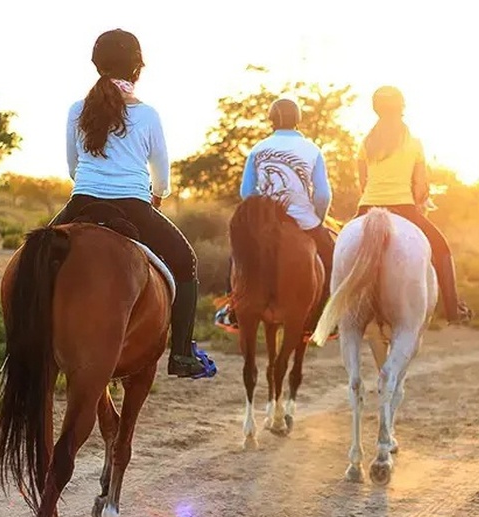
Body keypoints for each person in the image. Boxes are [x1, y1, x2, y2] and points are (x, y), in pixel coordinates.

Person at [49, 28, 216, 379]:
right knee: (186, 262)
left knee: (32, 262)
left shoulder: (76, 109)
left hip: (81, 202)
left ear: (97, 66)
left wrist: (93, 184)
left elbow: (71, 165)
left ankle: (19, 345)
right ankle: (182, 354)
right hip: (135, 208)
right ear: (137, 68)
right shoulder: (148, 115)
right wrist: (158, 195)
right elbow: (162, 175)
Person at [214, 98, 335, 339]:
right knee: (332, 258)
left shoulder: (258, 149)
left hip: (266, 225)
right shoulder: (312, 150)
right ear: (298, 120)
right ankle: (325, 318)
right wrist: (317, 219)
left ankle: (233, 310)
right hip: (303, 221)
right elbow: (323, 194)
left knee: (238, 258)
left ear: (271, 121)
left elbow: (247, 193)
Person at [356, 85, 472, 325]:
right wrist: (420, 202)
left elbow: (362, 183)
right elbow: (420, 187)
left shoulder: (365, 144)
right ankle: (453, 309)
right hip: (404, 209)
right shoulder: (414, 144)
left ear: (376, 110)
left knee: (337, 250)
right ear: (402, 108)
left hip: (367, 208)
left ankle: (330, 308)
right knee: (441, 248)